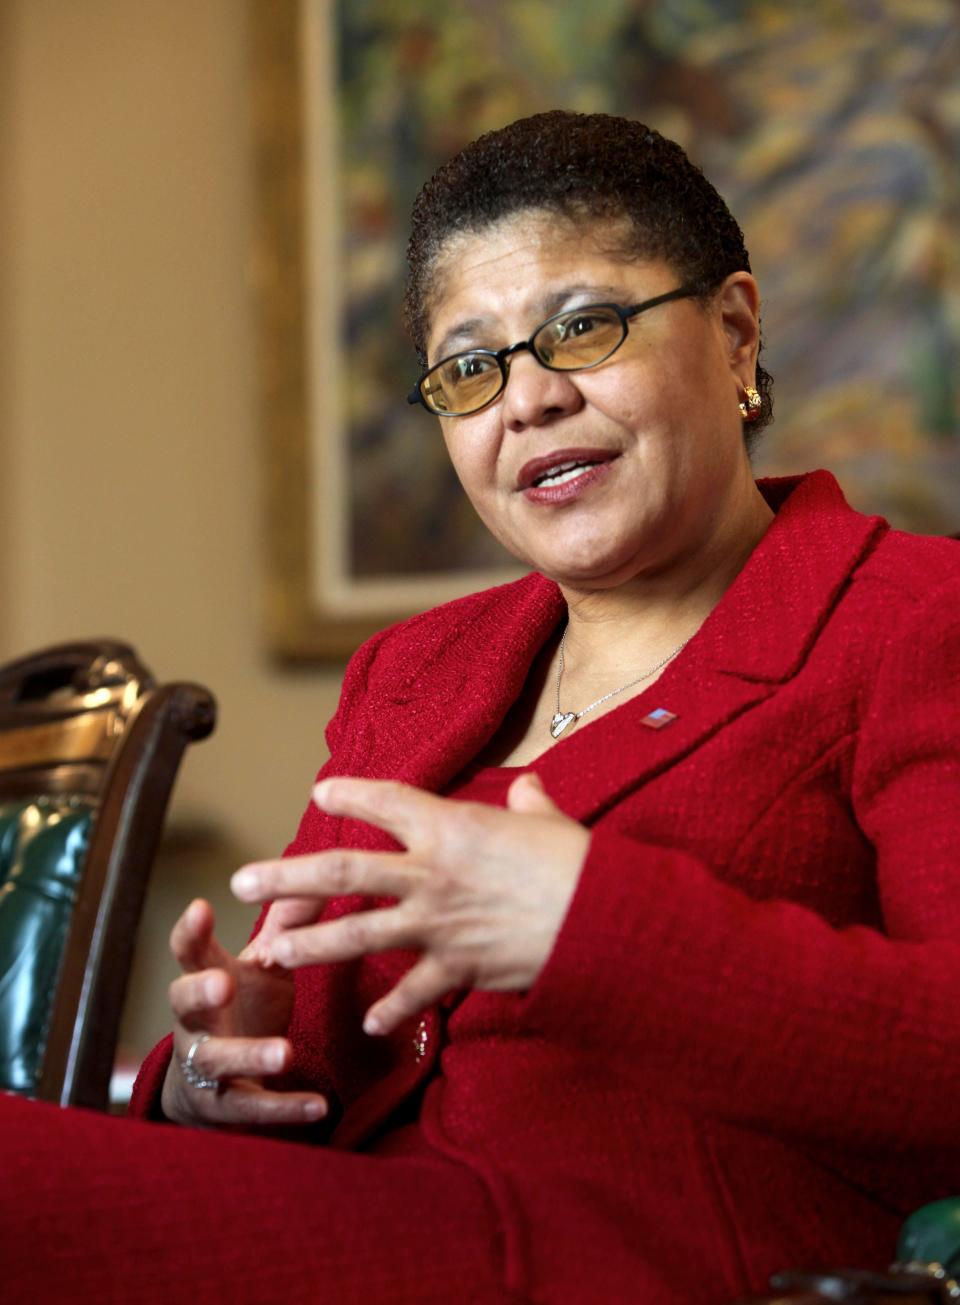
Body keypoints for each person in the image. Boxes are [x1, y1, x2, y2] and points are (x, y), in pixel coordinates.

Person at [3, 109, 960, 1305]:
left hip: (661, 1260)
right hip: (381, 1227)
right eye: (471, 366)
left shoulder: (917, 617)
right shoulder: (414, 669)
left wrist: (587, 925)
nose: (528, 400)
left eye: (583, 328)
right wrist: (219, 1071)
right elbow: (324, 1045)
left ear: (733, 332)